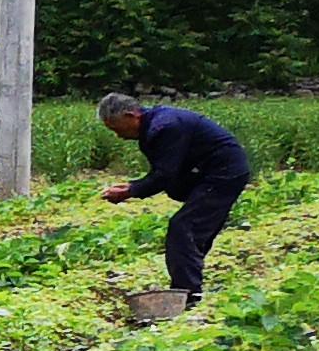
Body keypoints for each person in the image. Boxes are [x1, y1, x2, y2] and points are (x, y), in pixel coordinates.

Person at [96, 93, 254, 304]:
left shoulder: (165, 127)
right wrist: (134, 187)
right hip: (208, 173)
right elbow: (163, 173)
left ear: (130, 115)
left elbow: (164, 175)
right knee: (192, 231)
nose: (118, 135)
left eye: (116, 128)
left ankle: (187, 294)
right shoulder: (154, 126)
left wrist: (131, 190)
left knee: (183, 228)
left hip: (223, 173)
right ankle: (189, 286)